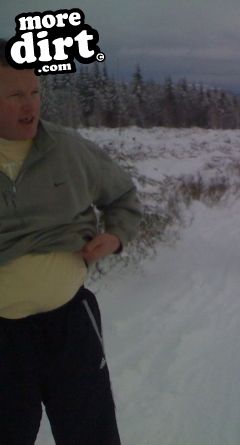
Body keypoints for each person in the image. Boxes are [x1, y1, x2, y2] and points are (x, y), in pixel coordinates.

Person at [0, 39, 141, 445]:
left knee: (91, 434)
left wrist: (114, 236)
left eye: (34, 92)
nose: (30, 105)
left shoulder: (69, 150)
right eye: (14, 95)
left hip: (69, 326)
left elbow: (123, 198)